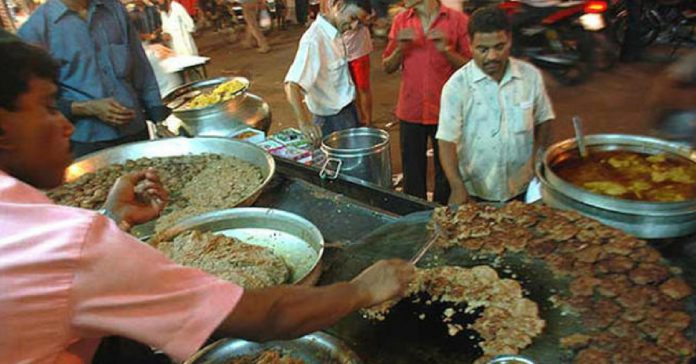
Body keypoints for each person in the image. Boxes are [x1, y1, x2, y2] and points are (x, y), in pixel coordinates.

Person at [0, 40, 415, 364]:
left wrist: (112, 219)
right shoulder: (70, 245)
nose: (66, 124)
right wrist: (361, 289)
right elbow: (261, 316)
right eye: (49, 108)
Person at [17, 0, 169, 158]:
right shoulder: (35, 30)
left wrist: (157, 112)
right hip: (86, 142)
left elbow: (140, 66)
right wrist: (86, 107)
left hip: (135, 130)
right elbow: (33, 101)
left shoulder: (114, 9)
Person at [436, 6, 555, 205]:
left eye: (499, 47)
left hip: (524, 188)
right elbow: (446, 141)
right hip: (477, 192)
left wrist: (539, 156)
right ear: (470, 44)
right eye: (483, 49)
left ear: (509, 40)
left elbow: (544, 117)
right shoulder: (457, 87)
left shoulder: (530, 76)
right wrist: (457, 185)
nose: (492, 56)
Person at [382, 0, 470, 204]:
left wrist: (447, 51)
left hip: (446, 113)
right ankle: (416, 222)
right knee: (412, 177)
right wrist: (400, 49)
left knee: (447, 176)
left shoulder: (457, 21)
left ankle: (443, 220)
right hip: (410, 110)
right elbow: (387, 66)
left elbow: (472, 68)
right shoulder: (401, 21)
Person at [284, 0, 368, 145]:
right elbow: (291, 85)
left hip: (347, 110)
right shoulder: (314, 40)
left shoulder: (335, 33)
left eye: (358, 22)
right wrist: (304, 123)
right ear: (339, 7)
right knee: (339, 165)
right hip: (330, 120)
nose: (353, 26)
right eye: (352, 18)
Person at [342, 0, 373, 126]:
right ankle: (359, 119)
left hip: (359, 50)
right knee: (350, 88)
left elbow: (367, 16)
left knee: (363, 87)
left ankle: (368, 121)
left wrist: (360, 19)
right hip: (342, 50)